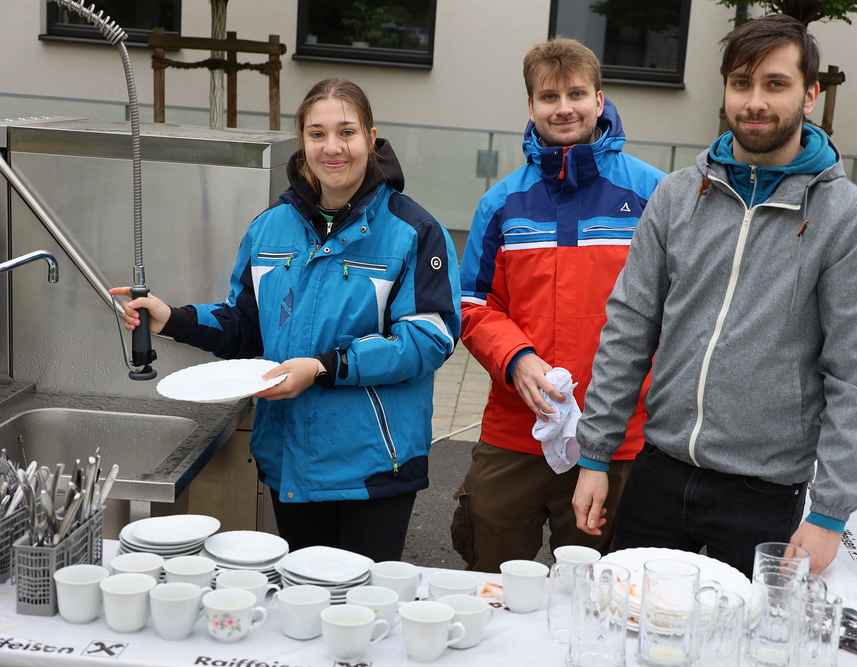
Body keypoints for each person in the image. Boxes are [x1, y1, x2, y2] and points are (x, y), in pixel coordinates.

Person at [571, 14, 857, 577]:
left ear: (810, 94)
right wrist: (595, 454)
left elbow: (854, 372)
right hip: (659, 470)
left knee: (746, 630)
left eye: (775, 83)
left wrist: (831, 512)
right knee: (630, 620)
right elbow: (628, 327)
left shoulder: (848, 216)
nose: (755, 101)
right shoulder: (677, 195)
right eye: (741, 83)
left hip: (764, 493)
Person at [112, 77, 461, 562]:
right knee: (303, 594)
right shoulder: (269, 228)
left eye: (346, 132)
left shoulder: (415, 231)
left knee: (364, 599)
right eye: (317, 134)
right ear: (303, 140)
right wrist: (172, 319)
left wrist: (323, 367)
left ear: (371, 137)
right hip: (291, 460)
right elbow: (247, 326)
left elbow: (427, 339)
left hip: (376, 466)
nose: (332, 147)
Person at [451, 37, 665, 572]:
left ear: (599, 99)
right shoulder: (502, 203)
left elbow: (683, 306)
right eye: (549, 97)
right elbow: (473, 302)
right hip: (516, 429)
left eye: (576, 94)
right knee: (493, 581)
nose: (563, 108)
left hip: (619, 438)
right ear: (531, 106)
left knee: (605, 589)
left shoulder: (655, 195)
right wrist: (516, 359)